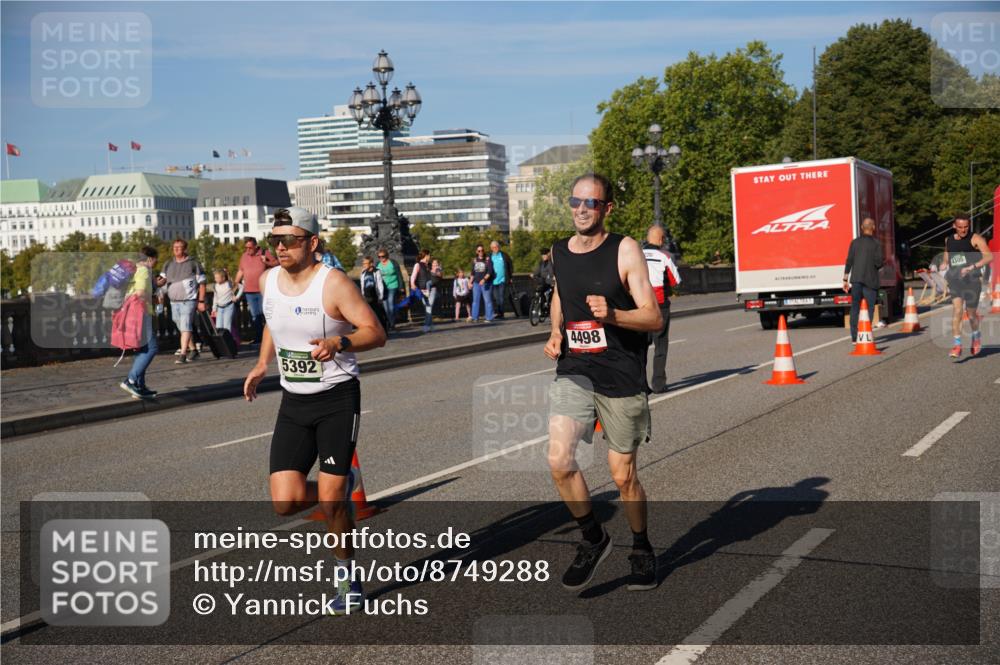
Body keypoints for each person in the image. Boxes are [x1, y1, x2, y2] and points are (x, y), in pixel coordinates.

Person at [243, 206, 386, 615]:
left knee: (331, 501)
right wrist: (262, 363)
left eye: (289, 240)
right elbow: (273, 321)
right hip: (294, 401)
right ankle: (341, 484)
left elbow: (376, 333)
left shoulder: (333, 283)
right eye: (275, 240)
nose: (280, 247)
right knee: (284, 502)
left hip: (336, 398)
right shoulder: (268, 280)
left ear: (312, 242)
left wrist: (339, 343)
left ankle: (347, 578)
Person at [544, 173, 663, 592]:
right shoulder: (559, 251)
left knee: (622, 476)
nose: (581, 209)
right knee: (559, 460)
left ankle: (641, 547)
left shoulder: (625, 249)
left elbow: (653, 317)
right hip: (576, 369)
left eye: (590, 203)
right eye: (575, 201)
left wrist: (613, 315)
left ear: (606, 208)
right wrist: (555, 331)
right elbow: (561, 293)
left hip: (621, 373)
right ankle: (593, 538)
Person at [942, 214, 992, 357]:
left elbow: (989, 256)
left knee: (971, 315)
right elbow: (947, 254)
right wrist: (944, 263)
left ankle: (976, 337)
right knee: (957, 310)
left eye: (966, 227)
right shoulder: (948, 240)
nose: (963, 230)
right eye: (960, 227)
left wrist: (972, 267)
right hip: (955, 281)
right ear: (954, 226)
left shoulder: (975, 239)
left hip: (972, 281)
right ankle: (957, 345)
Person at [642, 225, 681, 393]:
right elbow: (676, 281)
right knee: (660, 345)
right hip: (659, 305)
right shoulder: (665, 256)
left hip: (639, 306)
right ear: (661, 239)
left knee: (640, 346)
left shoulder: (636, 255)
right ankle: (658, 384)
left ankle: (640, 385)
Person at [119, 246, 160, 399]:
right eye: (155, 260)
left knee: (142, 349)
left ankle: (139, 386)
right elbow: (141, 293)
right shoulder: (144, 270)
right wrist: (152, 298)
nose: (155, 264)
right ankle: (130, 380)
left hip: (131, 313)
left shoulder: (133, 270)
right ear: (150, 258)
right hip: (142, 312)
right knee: (152, 348)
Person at [158, 238, 207, 364]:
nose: (176, 249)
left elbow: (202, 283)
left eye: (179, 247)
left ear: (185, 249)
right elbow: (162, 281)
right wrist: (155, 284)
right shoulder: (168, 264)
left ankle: (183, 354)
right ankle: (193, 350)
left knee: (185, 325)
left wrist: (201, 301)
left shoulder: (193, 263)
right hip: (173, 301)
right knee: (181, 326)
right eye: (174, 247)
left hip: (188, 300)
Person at [843, 217, 883, 343]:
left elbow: (849, 260)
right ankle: (865, 334)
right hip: (870, 281)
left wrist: (845, 279)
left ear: (861, 227)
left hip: (856, 280)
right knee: (869, 308)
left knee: (855, 307)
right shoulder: (876, 243)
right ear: (873, 228)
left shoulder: (854, 243)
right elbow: (879, 263)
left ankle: (854, 337)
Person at [234, 236, 278, 344]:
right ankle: (259, 338)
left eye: (250, 247)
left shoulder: (264, 253)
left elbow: (277, 264)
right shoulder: (244, 256)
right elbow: (241, 270)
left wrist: (267, 262)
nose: (248, 250)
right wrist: (235, 284)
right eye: (246, 247)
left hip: (263, 290)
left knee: (265, 314)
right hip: (249, 291)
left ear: (256, 246)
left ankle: (270, 338)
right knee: (255, 316)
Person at [376, 249, 404, 332]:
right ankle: (390, 323)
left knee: (391, 305)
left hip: (393, 285)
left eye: (383, 256)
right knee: (386, 307)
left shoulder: (393, 263)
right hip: (383, 287)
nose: (381, 258)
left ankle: (392, 324)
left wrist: (401, 286)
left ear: (387, 256)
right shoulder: (377, 264)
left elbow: (399, 275)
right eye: (379, 257)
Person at [410, 250, 437, 333]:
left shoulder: (430, 265)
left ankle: (426, 326)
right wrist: (412, 284)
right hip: (423, 289)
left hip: (432, 288)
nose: (430, 257)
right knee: (427, 307)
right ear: (426, 255)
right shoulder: (418, 265)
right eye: (429, 255)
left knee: (429, 306)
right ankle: (431, 326)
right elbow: (413, 276)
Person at [360, 256, 388, 332]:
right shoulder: (363, 272)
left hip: (375, 296)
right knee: (368, 315)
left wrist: (380, 297)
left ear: (371, 264)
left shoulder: (376, 272)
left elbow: (379, 284)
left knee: (378, 315)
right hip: (366, 297)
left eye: (365, 263)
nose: (364, 265)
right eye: (363, 263)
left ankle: (384, 330)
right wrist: (362, 295)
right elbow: (362, 285)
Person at [211, 267, 243, 334]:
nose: (215, 279)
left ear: (223, 278)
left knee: (227, 327)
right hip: (219, 308)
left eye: (217, 278)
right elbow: (215, 297)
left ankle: (228, 339)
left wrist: (237, 297)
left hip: (229, 307)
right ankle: (221, 340)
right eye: (215, 278)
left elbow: (241, 287)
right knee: (218, 327)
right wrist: (214, 309)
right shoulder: (215, 286)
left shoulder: (229, 284)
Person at [470, 244, 495, 323]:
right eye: (479, 251)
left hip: (486, 283)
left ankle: (489, 317)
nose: (481, 252)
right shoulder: (474, 260)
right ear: (476, 252)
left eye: (482, 250)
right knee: (475, 301)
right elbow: (472, 273)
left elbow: (490, 272)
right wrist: (470, 282)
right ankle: (475, 317)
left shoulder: (488, 260)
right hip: (476, 283)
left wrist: (484, 279)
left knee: (487, 300)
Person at [490, 240, 514, 319]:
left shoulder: (504, 255)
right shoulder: (489, 256)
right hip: (493, 280)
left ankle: (501, 313)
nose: (495, 248)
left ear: (499, 247)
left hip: (502, 279)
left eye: (496, 247)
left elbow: (510, 266)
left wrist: (510, 277)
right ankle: (498, 312)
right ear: (491, 248)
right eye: (493, 247)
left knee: (501, 297)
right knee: (496, 298)